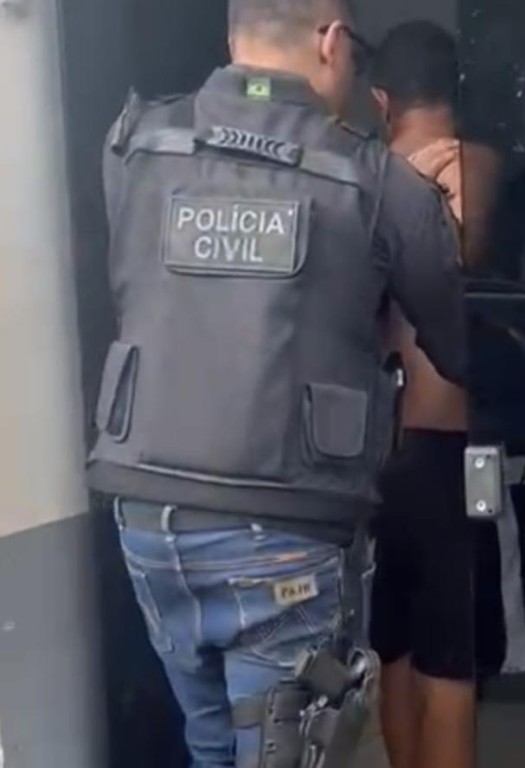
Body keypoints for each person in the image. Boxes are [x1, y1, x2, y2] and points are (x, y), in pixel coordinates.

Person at [89, 2, 467, 766]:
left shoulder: (135, 142)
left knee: (213, 746)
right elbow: (457, 345)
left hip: (149, 523)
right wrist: (429, 228)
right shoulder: (378, 181)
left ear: (235, 37)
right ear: (330, 42)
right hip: (284, 530)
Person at [367, 20, 509, 768]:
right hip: (452, 449)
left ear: (381, 99)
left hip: (378, 449)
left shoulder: (360, 178)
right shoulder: (475, 167)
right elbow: (461, 262)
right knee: (448, 663)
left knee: (393, 650)